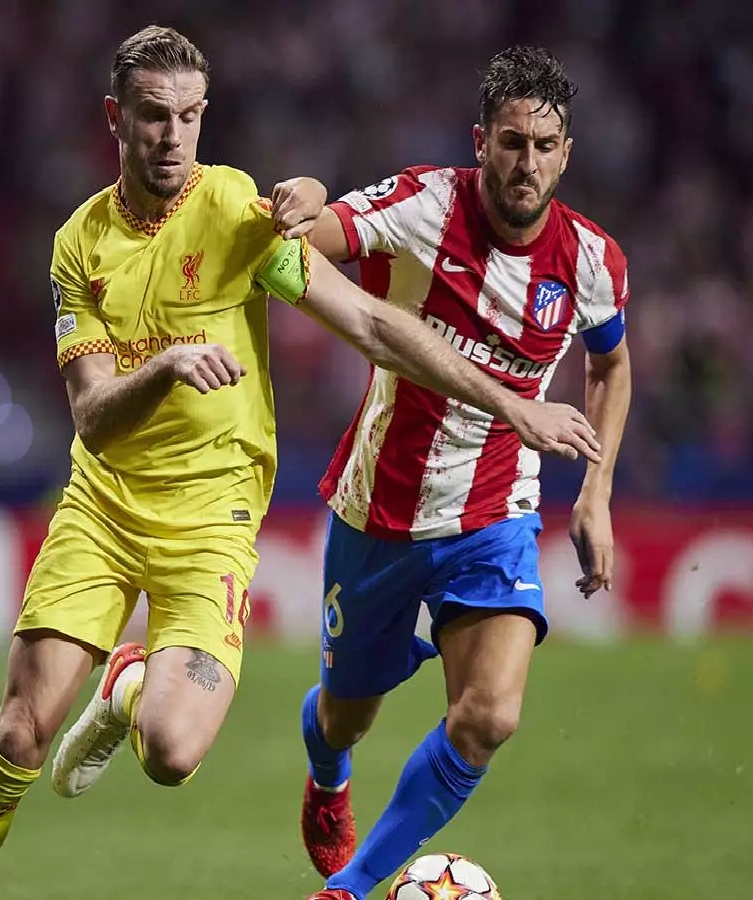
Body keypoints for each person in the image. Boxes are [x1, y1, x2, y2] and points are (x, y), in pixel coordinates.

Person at [0, 28, 602, 900]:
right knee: (18, 735)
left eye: (190, 117)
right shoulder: (79, 244)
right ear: (115, 119)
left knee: (171, 754)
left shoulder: (237, 215)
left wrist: (511, 402)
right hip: (103, 506)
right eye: (154, 117)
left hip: (212, 519)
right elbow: (92, 419)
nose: (173, 136)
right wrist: (163, 367)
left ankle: (131, 688)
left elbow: (372, 323)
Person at [270, 45, 633, 900]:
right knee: (343, 714)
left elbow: (613, 366)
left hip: (494, 516)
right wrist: (315, 198)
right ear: (481, 141)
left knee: (491, 715)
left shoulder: (591, 261)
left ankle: (350, 887)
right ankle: (327, 767)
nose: (528, 163)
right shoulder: (422, 204)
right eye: (512, 142)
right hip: (380, 511)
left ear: (567, 153)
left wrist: (598, 491)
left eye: (545, 146)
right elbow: (307, 241)